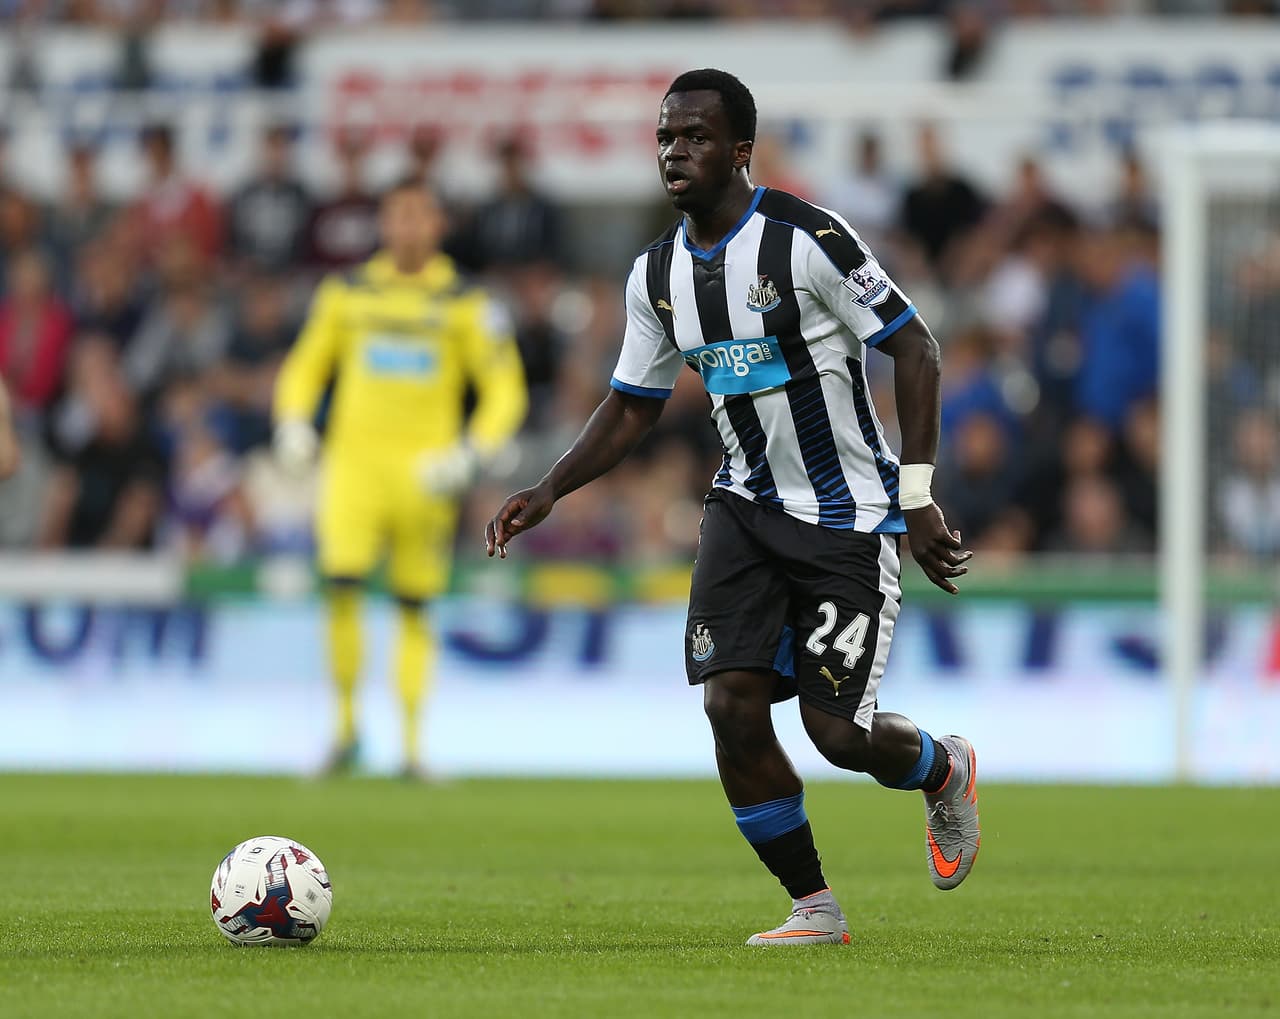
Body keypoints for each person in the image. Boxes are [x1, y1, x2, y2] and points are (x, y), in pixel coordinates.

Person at [486, 69, 980, 946]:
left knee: (837, 734)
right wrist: (549, 488)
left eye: (697, 137)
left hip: (848, 518)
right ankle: (814, 907)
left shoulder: (808, 239)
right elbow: (634, 402)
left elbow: (918, 349)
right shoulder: (658, 274)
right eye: (667, 138)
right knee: (729, 706)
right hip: (743, 510)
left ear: (741, 151)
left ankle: (943, 769)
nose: (676, 152)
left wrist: (919, 496)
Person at [274, 180, 528, 778]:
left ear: (438, 224)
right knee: (341, 588)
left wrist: (473, 452)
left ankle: (412, 749)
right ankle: (343, 733)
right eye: (398, 216)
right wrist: (291, 420)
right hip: (353, 467)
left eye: (420, 216)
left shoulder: (466, 301)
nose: (408, 227)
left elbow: (504, 388)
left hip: (426, 475)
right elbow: (306, 364)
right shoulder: (348, 292)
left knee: (415, 605)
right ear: (383, 224)